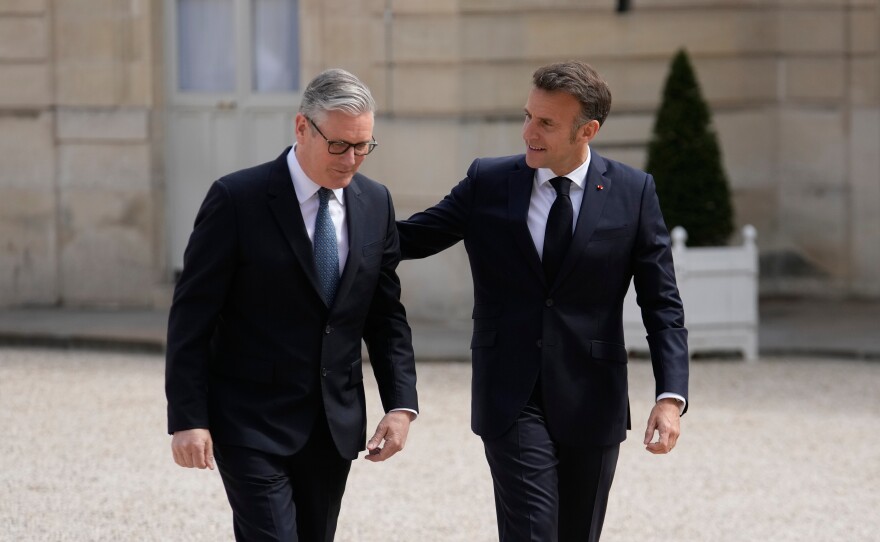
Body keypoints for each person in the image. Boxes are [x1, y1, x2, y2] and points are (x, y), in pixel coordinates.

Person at [397, 60, 688, 541]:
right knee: (532, 531)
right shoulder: (488, 181)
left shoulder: (634, 193)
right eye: (528, 115)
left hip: (593, 397)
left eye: (546, 123)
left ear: (587, 130)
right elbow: (409, 239)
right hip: (510, 396)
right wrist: (335, 221)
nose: (528, 131)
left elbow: (662, 303)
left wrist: (671, 397)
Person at [165, 68, 418, 542]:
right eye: (339, 145)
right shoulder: (236, 199)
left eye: (363, 146)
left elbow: (385, 317)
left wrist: (401, 405)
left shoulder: (375, 202)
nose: (351, 160)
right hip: (249, 422)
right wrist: (188, 418)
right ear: (302, 127)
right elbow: (191, 318)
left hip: (333, 425)